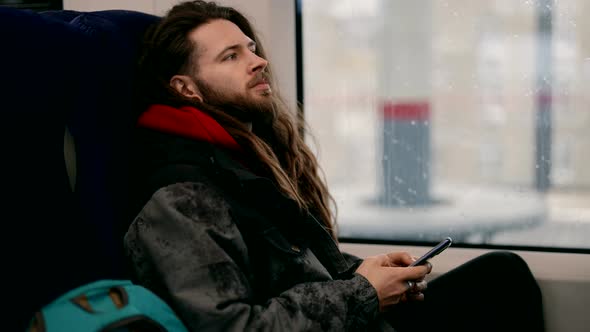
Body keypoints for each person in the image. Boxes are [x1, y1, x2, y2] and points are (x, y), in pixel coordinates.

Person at [123, 1, 546, 331]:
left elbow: (289, 267)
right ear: (186, 88)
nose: (258, 60)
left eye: (251, 48)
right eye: (230, 57)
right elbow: (232, 326)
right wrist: (364, 294)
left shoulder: (240, 159)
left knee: (501, 275)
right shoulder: (182, 194)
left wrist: (363, 272)